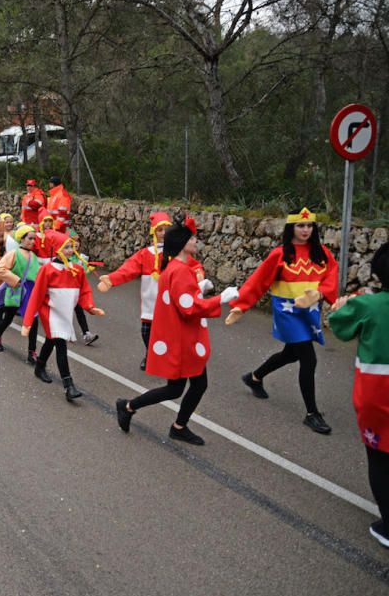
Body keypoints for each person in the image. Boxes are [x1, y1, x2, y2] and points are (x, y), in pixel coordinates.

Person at [115, 218, 240, 445]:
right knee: (187, 387)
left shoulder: (175, 268)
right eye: (192, 238)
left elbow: (182, 297)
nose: (195, 241)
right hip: (183, 340)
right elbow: (189, 307)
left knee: (179, 388)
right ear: (183, 243)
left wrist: (198, 289)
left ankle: (135, 409)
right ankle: (164, 421)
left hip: (181, 337)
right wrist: (220, 299)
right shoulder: (180, 270)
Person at [227, 207, 339, 434]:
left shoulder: (322, 253)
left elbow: (331, 275)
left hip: (309, 312)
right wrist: (241, 304)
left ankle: (254, 377)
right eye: (300, 225)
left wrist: (322, 294)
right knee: (308, 359)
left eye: (309, 225)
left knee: (291, 354)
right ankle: (312, 413)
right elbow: (258, 281)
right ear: (291, 228)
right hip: (288, 313)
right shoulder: (280, 254)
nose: (305, 230)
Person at [328, 243, 389, 547]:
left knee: (379, 459)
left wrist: (340, 306)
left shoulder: (368, 305)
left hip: (377, 396)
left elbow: (339, 327)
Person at [98, 212, 208, 370]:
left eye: (166, 230)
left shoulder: (177, 252)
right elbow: (128, 269)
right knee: (146, 332)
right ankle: (150, 353)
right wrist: (111, 279)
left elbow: (194, 265)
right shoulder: (145, 254)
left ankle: (171, 357)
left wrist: (198, 273)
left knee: (171, 332)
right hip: (150, 301)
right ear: (154, 233)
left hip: (170, 300)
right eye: (159, 230)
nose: (163, 233)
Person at [21, 229, 104, 399]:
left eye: (71, 247)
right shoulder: (47, 270)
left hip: (65, 314)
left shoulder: (77, 270)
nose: (70, 250)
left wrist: (90, 307)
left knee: (51, 340)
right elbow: (36, 296)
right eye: (66, 247)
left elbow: (84, 292)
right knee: (60, 344)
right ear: (58, 249)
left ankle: (39, 366)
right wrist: (28, 322)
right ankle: (68, 385)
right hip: (51, 314)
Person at [0, 225, 43, 359]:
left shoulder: (33, 256)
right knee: (8, 318)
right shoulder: (14, 253)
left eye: (34, 239)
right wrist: (15, 280)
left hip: (30, 292)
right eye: (30, 238)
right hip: (16, 290)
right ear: (22, 238)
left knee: (33, 321)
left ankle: (32, 352)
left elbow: (37, 275)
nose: (32, 241)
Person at [67, 229, 99, 345]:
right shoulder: (64, 257)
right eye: (73, 241)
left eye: (78, 241)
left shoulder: (82, 258)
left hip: (77, 289)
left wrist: (87, 268)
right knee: (67, 311)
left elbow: (83, 273)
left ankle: (86, 334)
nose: (76, 244)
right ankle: (68, 332)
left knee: (79, 311)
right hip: (65, 289)